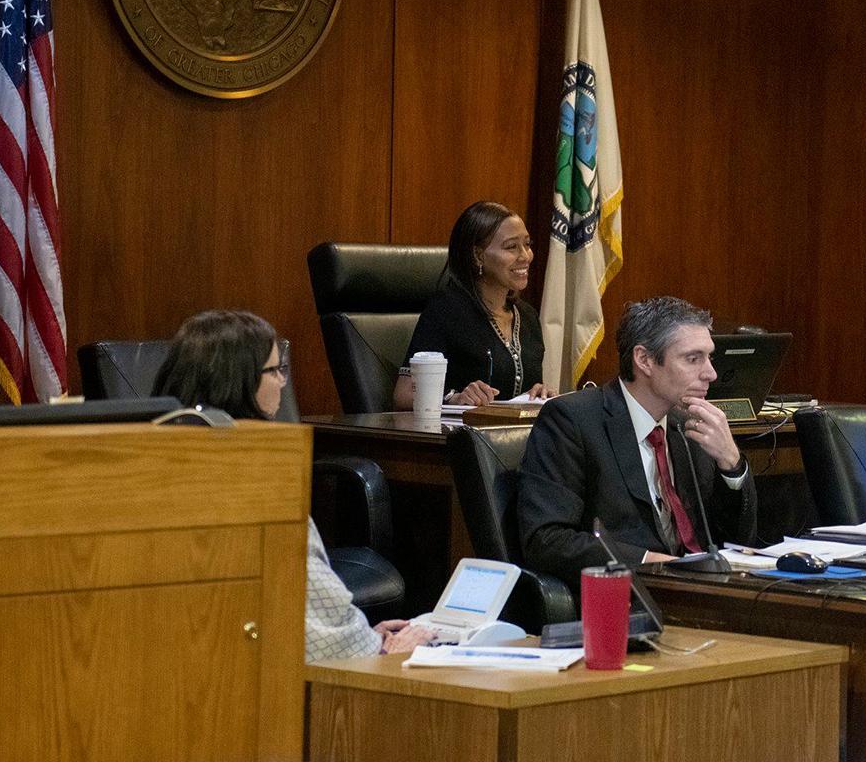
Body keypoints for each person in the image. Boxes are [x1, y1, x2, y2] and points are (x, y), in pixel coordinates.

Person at [154, 309, 434, 662]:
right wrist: (380, 647)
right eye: (275, 370)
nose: (283, 382)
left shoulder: (158, 458)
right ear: (238, 380)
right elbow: (322, 634)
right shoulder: (255, 475)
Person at [518, 296, 757, 591]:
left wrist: (731, 465)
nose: (711, 374)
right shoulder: (573, 421)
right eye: (693, 359)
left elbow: (735, 541)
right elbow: (547, 539)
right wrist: (650, 562)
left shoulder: (691, 424)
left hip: (706, 592)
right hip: (630, 597)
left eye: (710, 357)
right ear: (644, 359)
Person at [393, 200, 546, 409]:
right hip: (458, 437)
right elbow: (404, 394)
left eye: (527, 244)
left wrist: (537, 394)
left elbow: (515, 395)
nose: (525, 256)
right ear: (478, 255)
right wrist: (455, 398)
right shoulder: (446, 312)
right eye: (511, 247)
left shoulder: (527, 316)